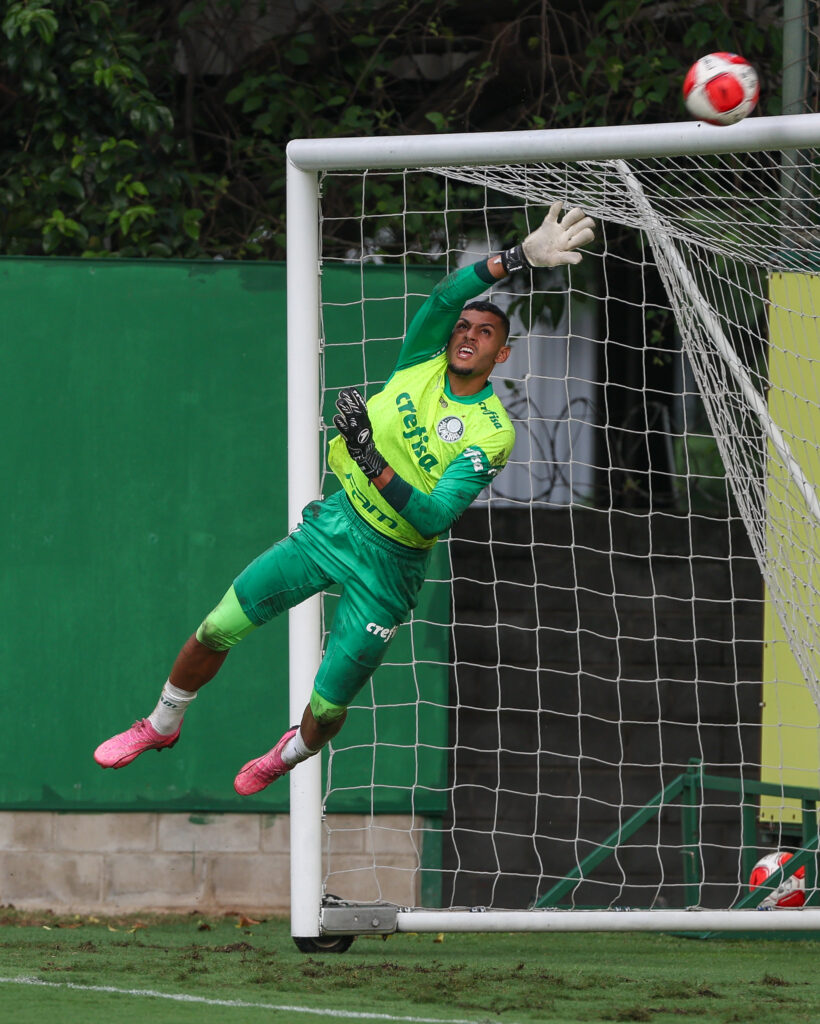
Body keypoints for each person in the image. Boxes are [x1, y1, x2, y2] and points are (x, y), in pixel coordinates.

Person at [94, 202, 595, 795]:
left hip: (391, 567)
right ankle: (160, 724)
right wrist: (515, 258)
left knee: (329, 705)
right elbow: (442, 298)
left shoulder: (493, 431)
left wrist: (367, 453)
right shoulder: (421, 362)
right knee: (217, 625)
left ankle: (291, 752)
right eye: (464, 327)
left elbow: (434, 515)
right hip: (337, 525)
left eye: (485, 333)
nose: (468, 335)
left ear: (501, 355)